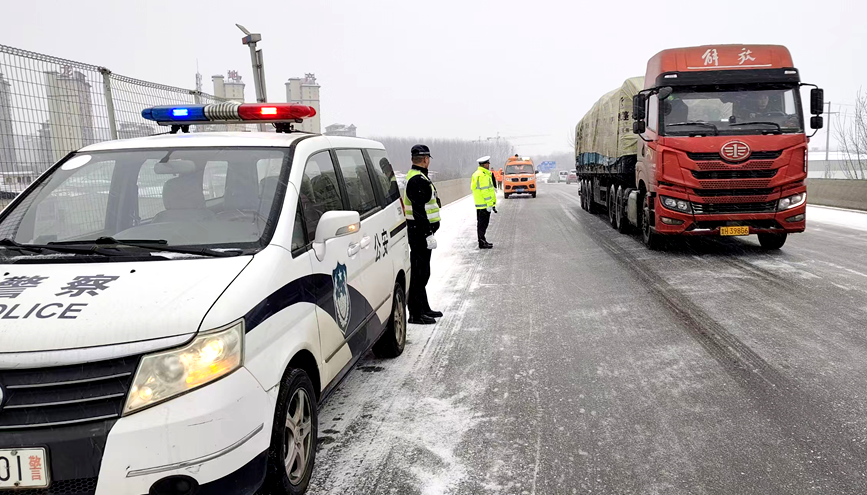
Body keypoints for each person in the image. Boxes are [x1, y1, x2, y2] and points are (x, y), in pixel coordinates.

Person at [403, 144, 443, 325]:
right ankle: (415, 314)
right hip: (419, 233)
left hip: (419, 232)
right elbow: (419, 210)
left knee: (422, 271)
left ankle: (424, 307)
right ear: (426, 160)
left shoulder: (417, 177)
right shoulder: (417, 180)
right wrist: (428, 234)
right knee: (420, 273)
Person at [472, 156, 497, 249]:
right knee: (483, 224)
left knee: (481, 224)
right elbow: (485, 191)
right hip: (484, 204)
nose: (489, 165)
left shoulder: (477, 173)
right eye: (487, 163)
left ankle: (482, 240)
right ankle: (482, 242)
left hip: (480, 204)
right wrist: (490, 204)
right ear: (484, 164)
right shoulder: (483, 175)